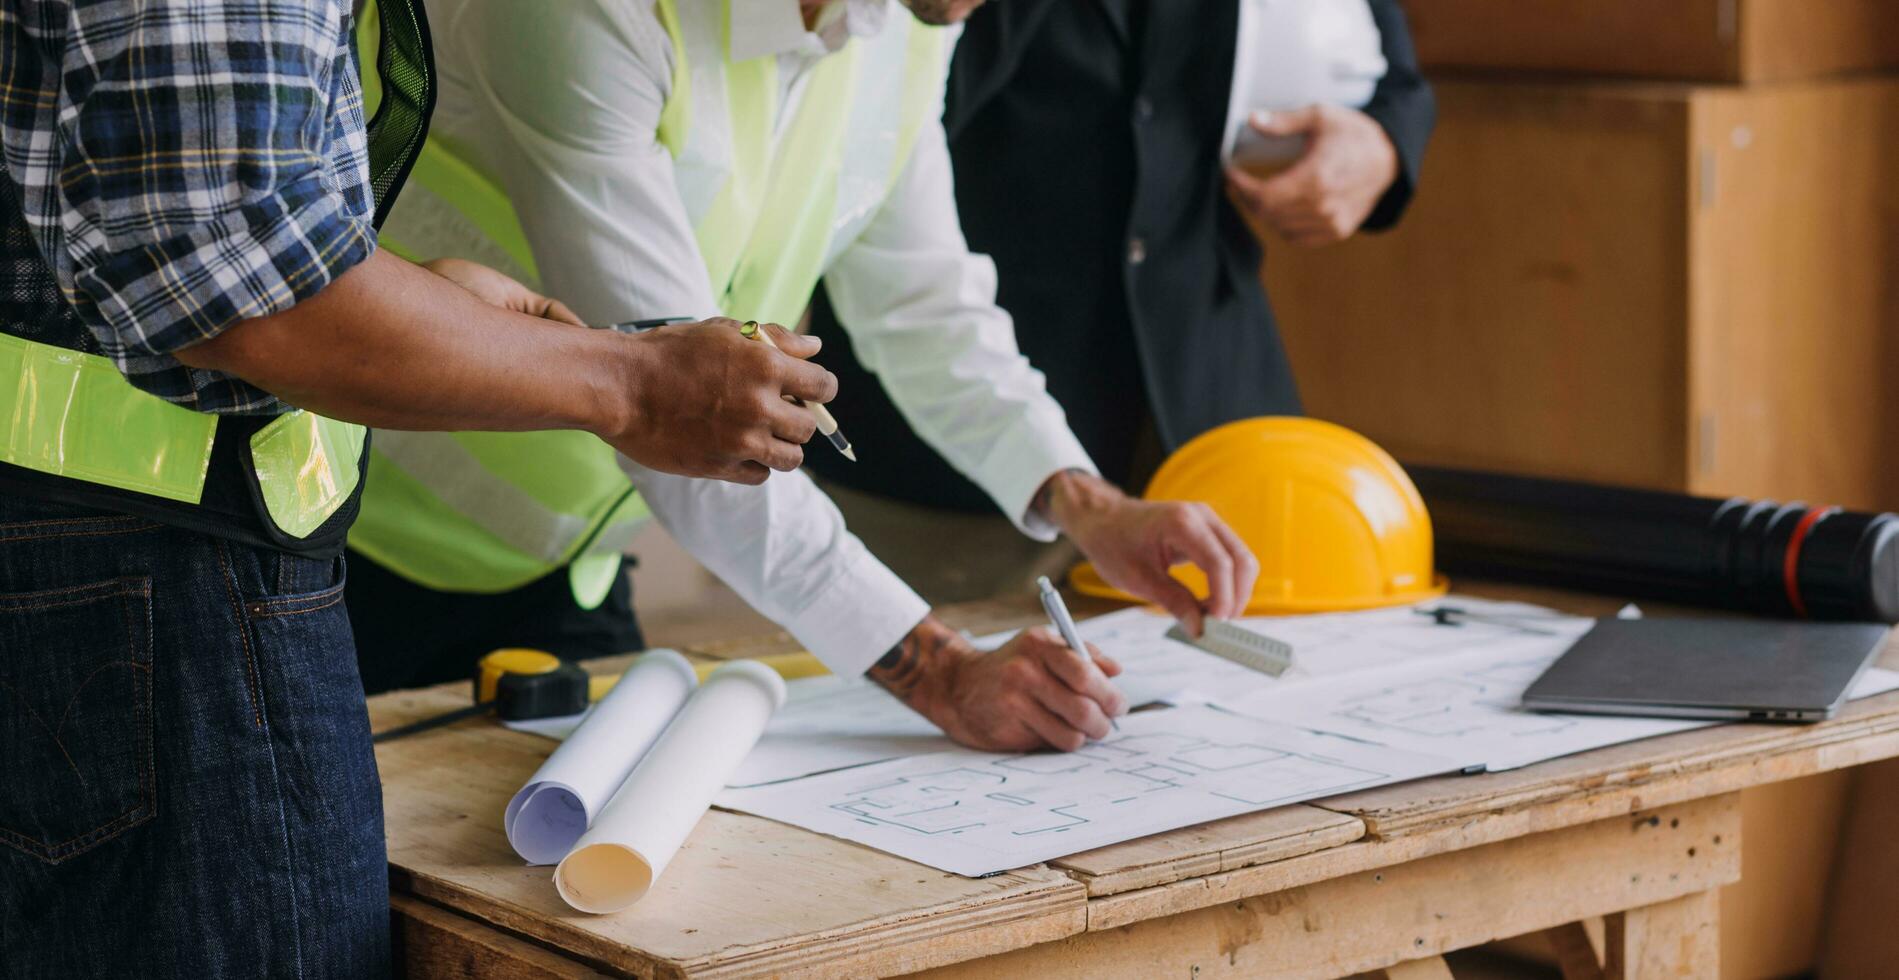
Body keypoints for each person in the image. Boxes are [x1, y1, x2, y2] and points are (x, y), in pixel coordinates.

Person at [0, 0, 837, 975]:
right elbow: (226, 267)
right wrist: (632, 383)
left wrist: (410, 298)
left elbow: (158, 207)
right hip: (154, 591)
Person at [345, 0, 1260, 735]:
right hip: (350, 555)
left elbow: (921, 302)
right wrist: (939, 671)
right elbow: (680, 414)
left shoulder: (908, 21)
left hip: (565, 568)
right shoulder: (581, 13)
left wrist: (1088, 503)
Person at [805, 0, 1437, 600]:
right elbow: (899, 88)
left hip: (1208, 402)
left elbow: (1390, 68)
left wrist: (1382, 141)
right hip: (955, 422)